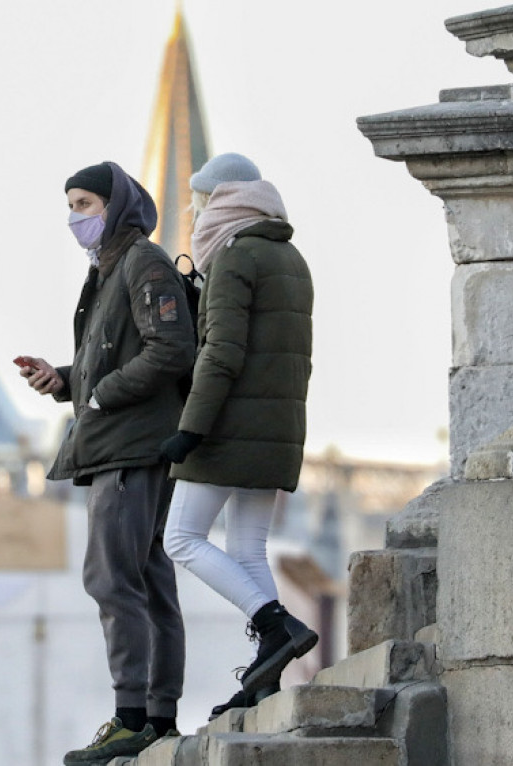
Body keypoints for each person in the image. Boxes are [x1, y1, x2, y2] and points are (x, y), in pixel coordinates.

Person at [18, 160, 196, 764]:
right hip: (123, 440)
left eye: (86, 205)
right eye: (70, 206)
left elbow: (172, 348)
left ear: (115, 206)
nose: (76, 218)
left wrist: (101, 394)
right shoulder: (112, 269)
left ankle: (132, 716)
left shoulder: (141, 263)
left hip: (130, 445)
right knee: (146, 580)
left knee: (112, 578)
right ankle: (157, 716)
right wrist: (66, 380)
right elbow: (115, 357)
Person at [158, 152, 317, 717]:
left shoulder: (233, 256)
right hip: (277, 427)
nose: (195, 212)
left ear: (217, 200)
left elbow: (222, 353)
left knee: (181, 538)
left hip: (231, 427)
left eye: (199, 200)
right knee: (247, 548)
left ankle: (275, 626)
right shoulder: (289, 256)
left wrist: (190, 430)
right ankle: (267, 679)